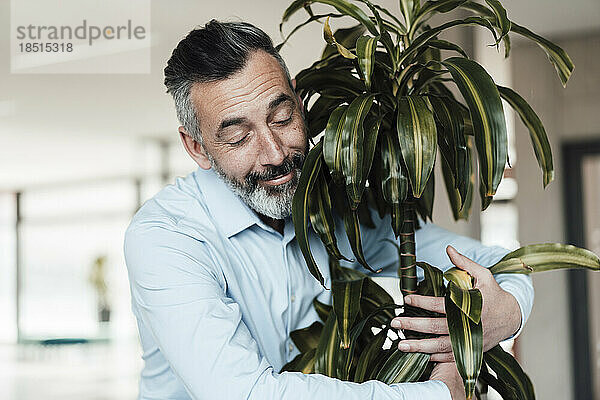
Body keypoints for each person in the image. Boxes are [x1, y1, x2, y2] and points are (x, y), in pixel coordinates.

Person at [123, 20, 533, 400]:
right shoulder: (165, 238)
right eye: (238, 137)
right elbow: (244, 393)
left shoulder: (334, 203)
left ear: (301, 103)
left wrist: (507, 312)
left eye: (281, 118)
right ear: (197, 147)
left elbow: (493, 261)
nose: (275, 153)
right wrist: (439, 394)